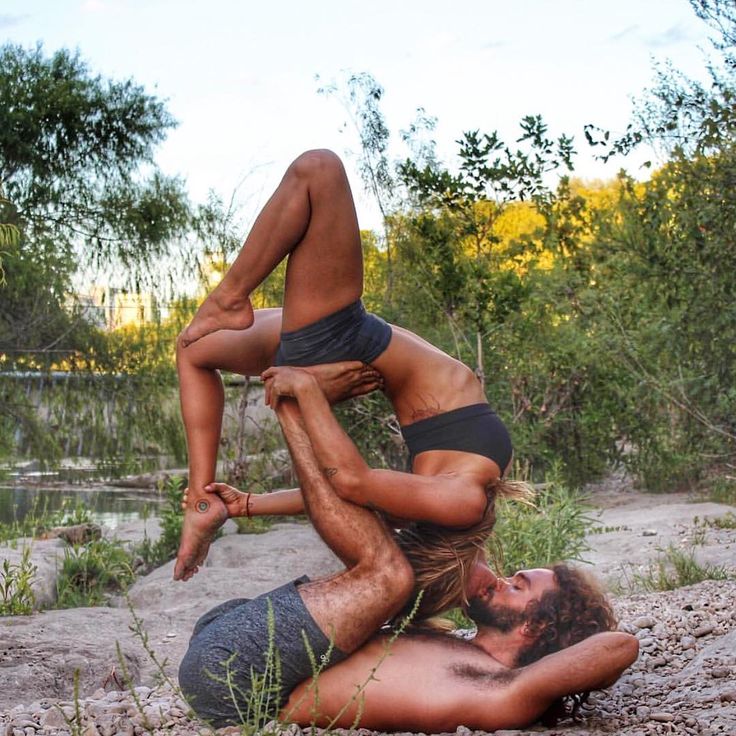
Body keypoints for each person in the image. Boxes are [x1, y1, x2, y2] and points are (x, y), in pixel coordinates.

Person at [178, 395, 637, 731]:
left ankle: (292, 410)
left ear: (536, 628)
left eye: (519, 586)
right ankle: (245, 495)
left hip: (237, 680)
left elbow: (620, 646)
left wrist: (541, 677)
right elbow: (364, 533)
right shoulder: (455, 644)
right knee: (395, 557)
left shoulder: (502, 691)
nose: (502, 579)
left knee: (389, 575)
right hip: (242, 635)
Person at [175, 148, 528, 585]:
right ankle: (199, 500)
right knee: (195, 348)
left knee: (318, 171)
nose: (499, 578)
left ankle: (230, 297)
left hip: (345, 341)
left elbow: (350, 481)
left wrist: (308, 389)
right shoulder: (428, 503)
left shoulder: (463, 503)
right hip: (349, 344)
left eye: (492, 585)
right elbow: (336, 491)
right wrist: (246, 504)